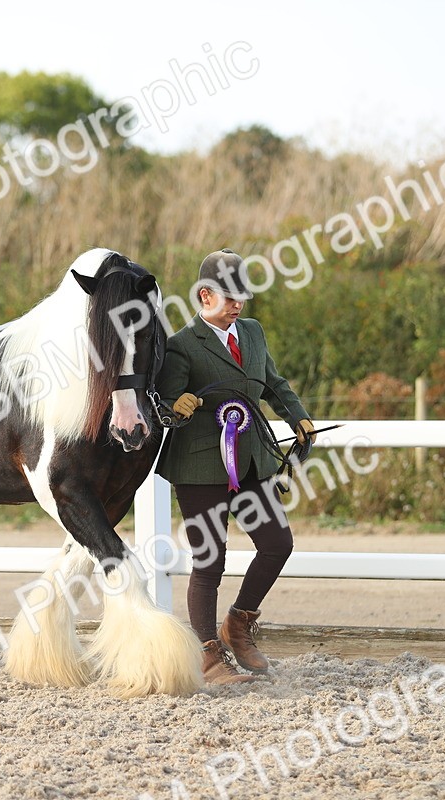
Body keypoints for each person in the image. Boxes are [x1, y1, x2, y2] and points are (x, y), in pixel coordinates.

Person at [155, 249, 316, 685]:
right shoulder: (181, 345)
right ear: (205, 295)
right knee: (210, 559)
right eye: (229, 297)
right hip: (200, 467)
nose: (238, 305)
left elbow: (272, 382)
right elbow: (166, 402)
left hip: (251, 461)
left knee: (277, 543)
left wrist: (296, 414)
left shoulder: (253, 332)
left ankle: (238, 625)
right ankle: (207, 654)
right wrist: (177, 405)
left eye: (242, 297)